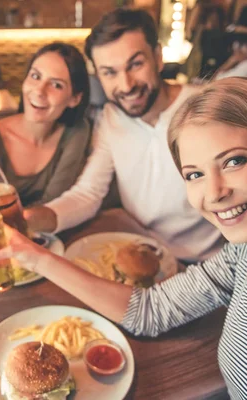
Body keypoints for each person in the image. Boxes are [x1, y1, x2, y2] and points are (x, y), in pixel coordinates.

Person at [0, 78, 247, 399]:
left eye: (234, 161)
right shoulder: (245, 254)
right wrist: (31, 255)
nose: (213, 193)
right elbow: (150, 310)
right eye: (194, 174)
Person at [25, 8, 223, 263]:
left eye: (136, 64)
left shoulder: (207, 107)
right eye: (110, 72)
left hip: (206, 264)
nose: (127, 85)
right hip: (141, 253)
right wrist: (28, 219)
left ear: (158, 57)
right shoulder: (111, 117)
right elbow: (88, 193)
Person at [0, 42, 91, 206]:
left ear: (75, 99)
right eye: (35, 76)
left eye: (56, 85)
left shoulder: (76, 133)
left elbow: (54, 204)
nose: (39, 91)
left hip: (50, 230)